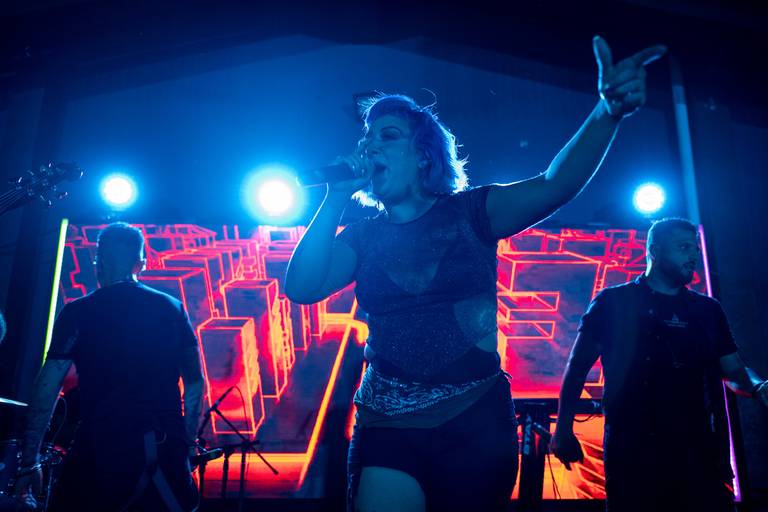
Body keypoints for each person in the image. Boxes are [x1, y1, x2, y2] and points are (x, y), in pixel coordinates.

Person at [285, 36, 665, 512]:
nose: (370, 147)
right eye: (367, 140)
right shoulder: (362, 237)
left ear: (424, 155)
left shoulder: (471, 212)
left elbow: (555, 184)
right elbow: (302, 288)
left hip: (473, 417)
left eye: (388, 136)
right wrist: (335, 197)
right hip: (388, 419)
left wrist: (606, 112)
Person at [551, 217, 768, 512]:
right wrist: (563, 430)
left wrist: (758, 386)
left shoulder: (708, 310)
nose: (692, 256)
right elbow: (577, 367)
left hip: (699, 452)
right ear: (655, 251)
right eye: (683, 247)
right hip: (633, 453)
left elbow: (733, 370)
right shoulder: (613, 302)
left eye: (694, 248)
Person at [14, 222, 204, 511]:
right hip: (162, 449)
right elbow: (194, 383)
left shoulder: (78, 312)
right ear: (141, 263)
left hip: (99, 450)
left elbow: (47, 387)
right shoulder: (172, 308)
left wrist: (30, 462)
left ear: (98, 261)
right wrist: (187, 443)